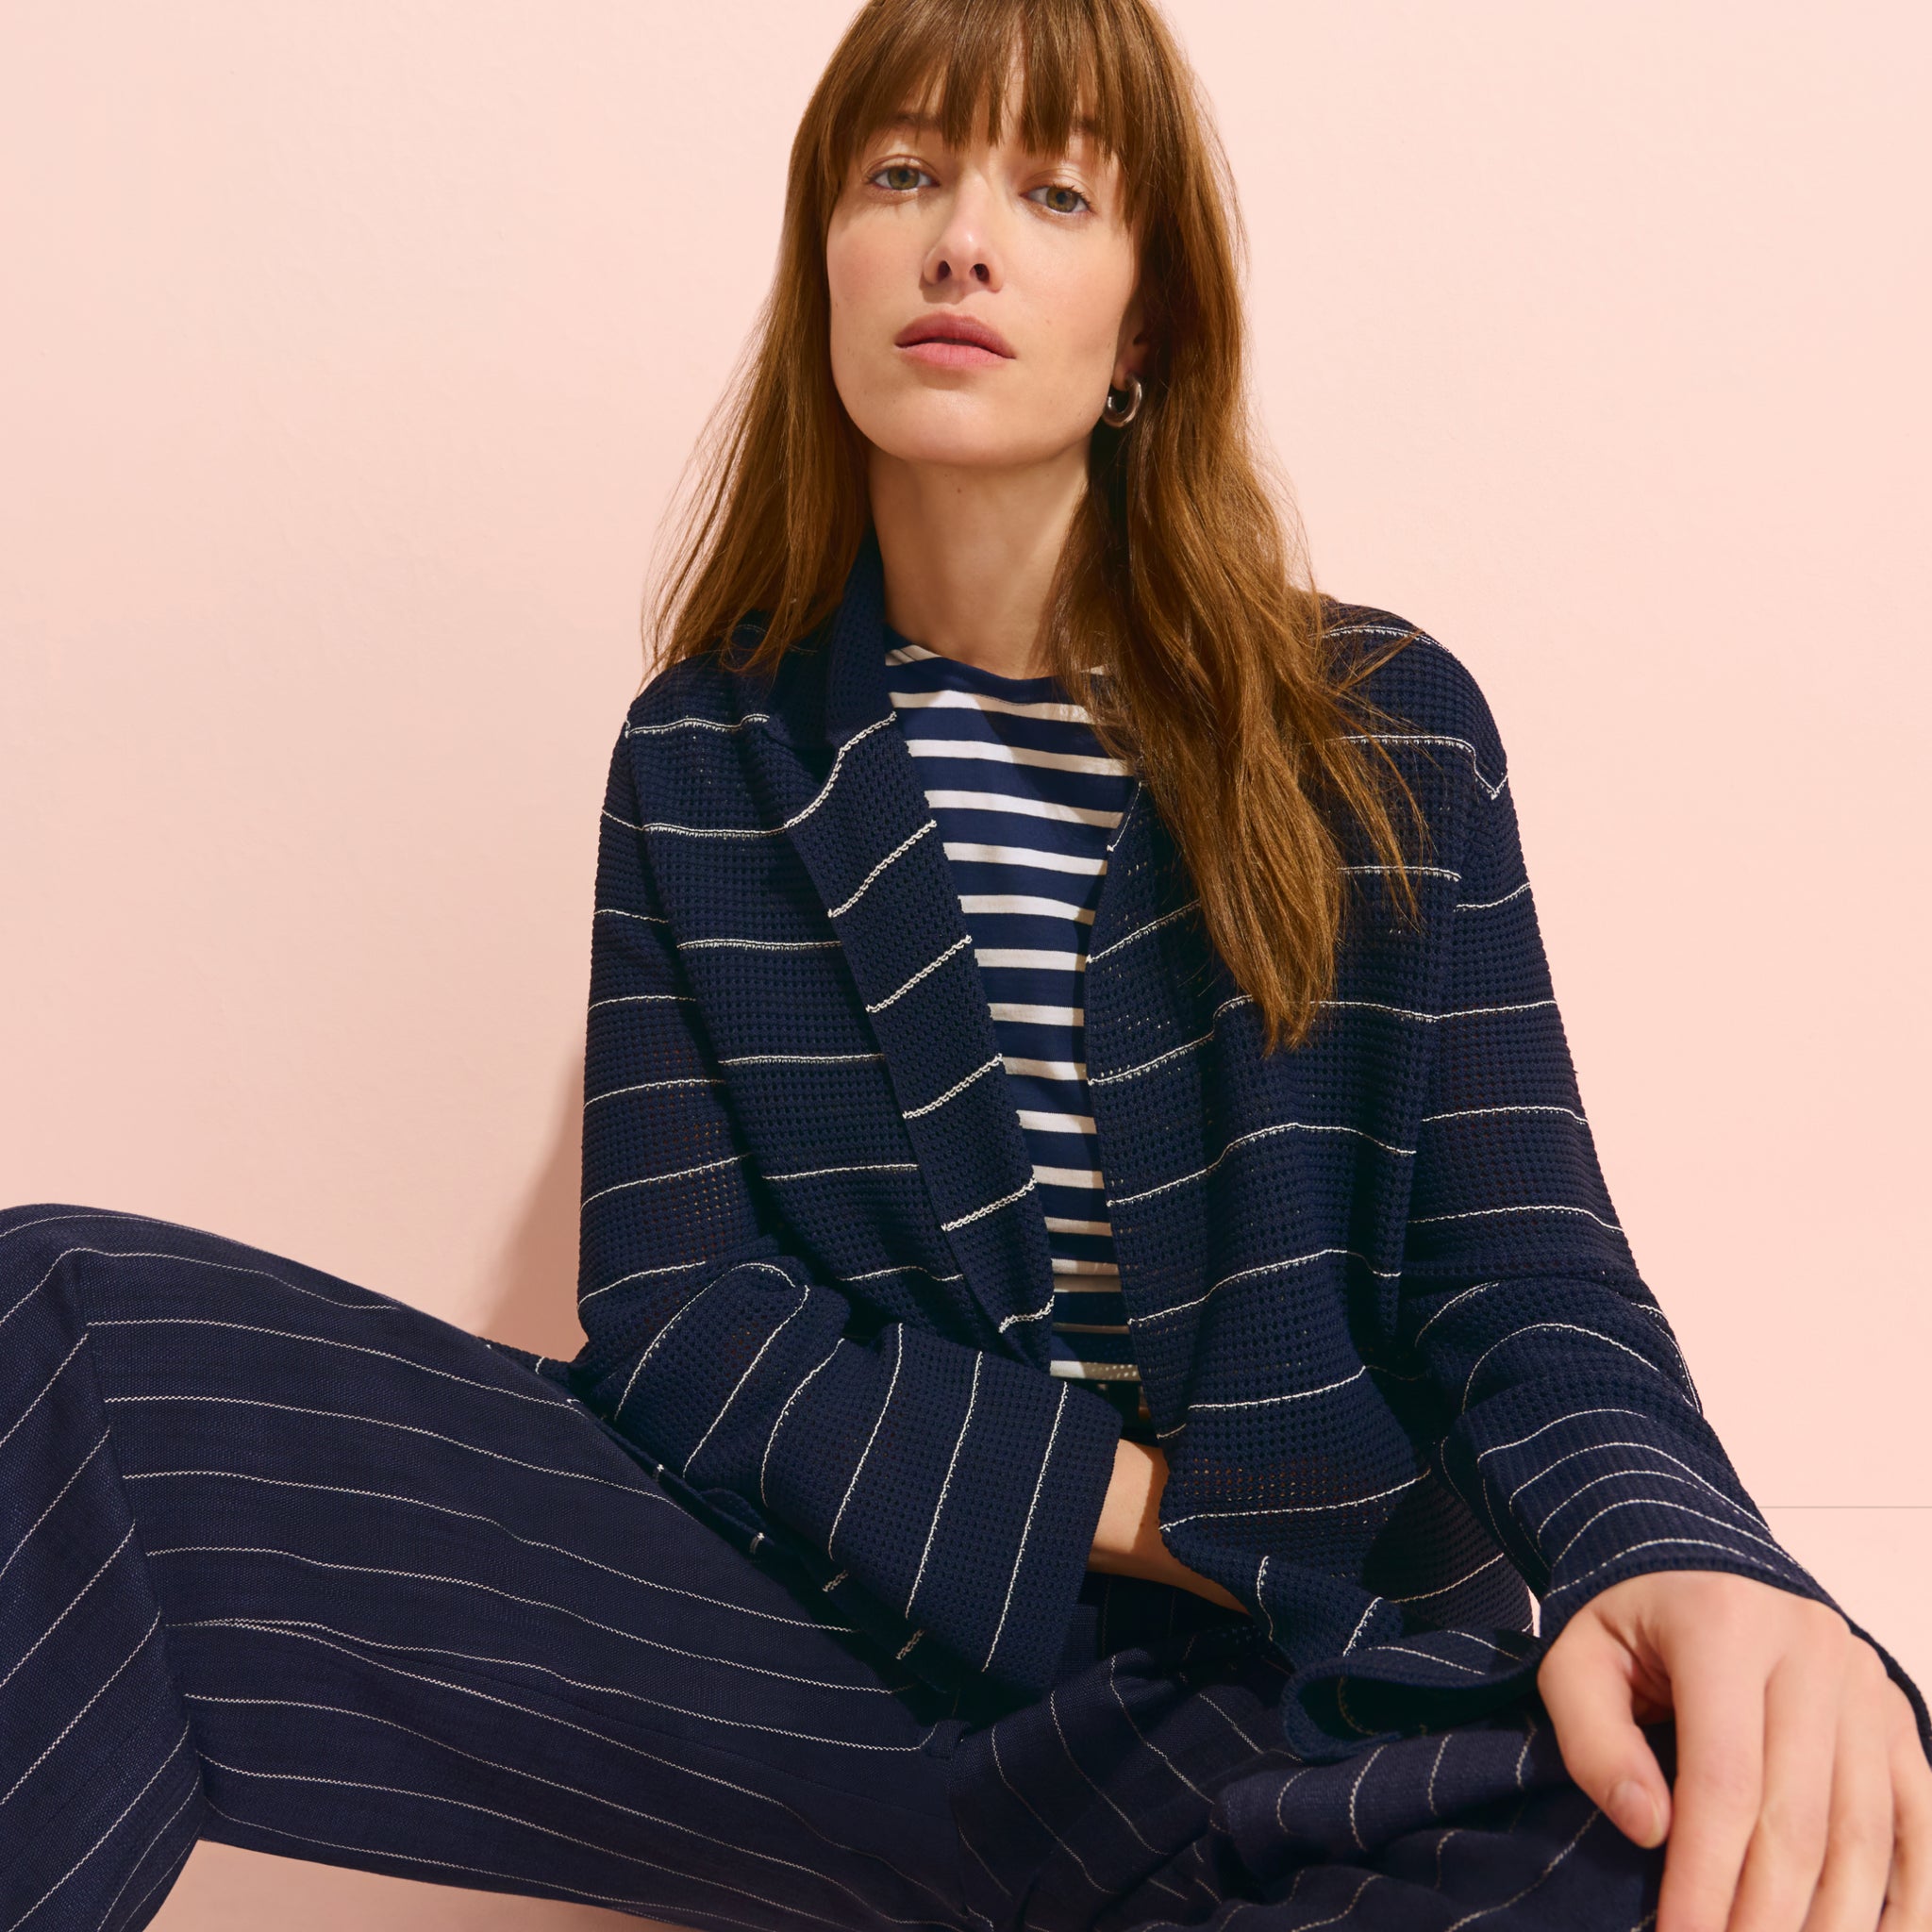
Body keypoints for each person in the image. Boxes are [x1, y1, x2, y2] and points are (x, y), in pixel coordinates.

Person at [3, 0, 1927, 1926]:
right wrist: (1160, 1515)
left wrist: (1691, 1563)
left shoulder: (1379, 732)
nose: (962, 241)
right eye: (903, 174)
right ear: (825, 267)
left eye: (1055, 192)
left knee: (1745, 1830)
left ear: (1147, 326)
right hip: (802, 1636)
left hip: (1272, 1700)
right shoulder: (710, 750)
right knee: (58, 1329)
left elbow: (1527, 1282)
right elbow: (679, 1306)